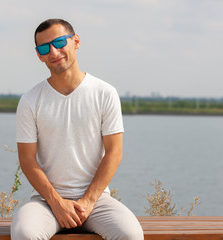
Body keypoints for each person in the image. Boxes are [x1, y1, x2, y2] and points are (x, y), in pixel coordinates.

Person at [11, 18, 144, 240]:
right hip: (46, 202)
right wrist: (57, 203)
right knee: (24, 233)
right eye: (44, 47)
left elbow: (114, 153)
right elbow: (27, 160)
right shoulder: (30, 100)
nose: (53, 52)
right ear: (39, 55)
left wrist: (88, 201)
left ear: (76, 41)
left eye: (60, 42)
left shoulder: (104, 93)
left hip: (97, 201)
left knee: (131, 235)